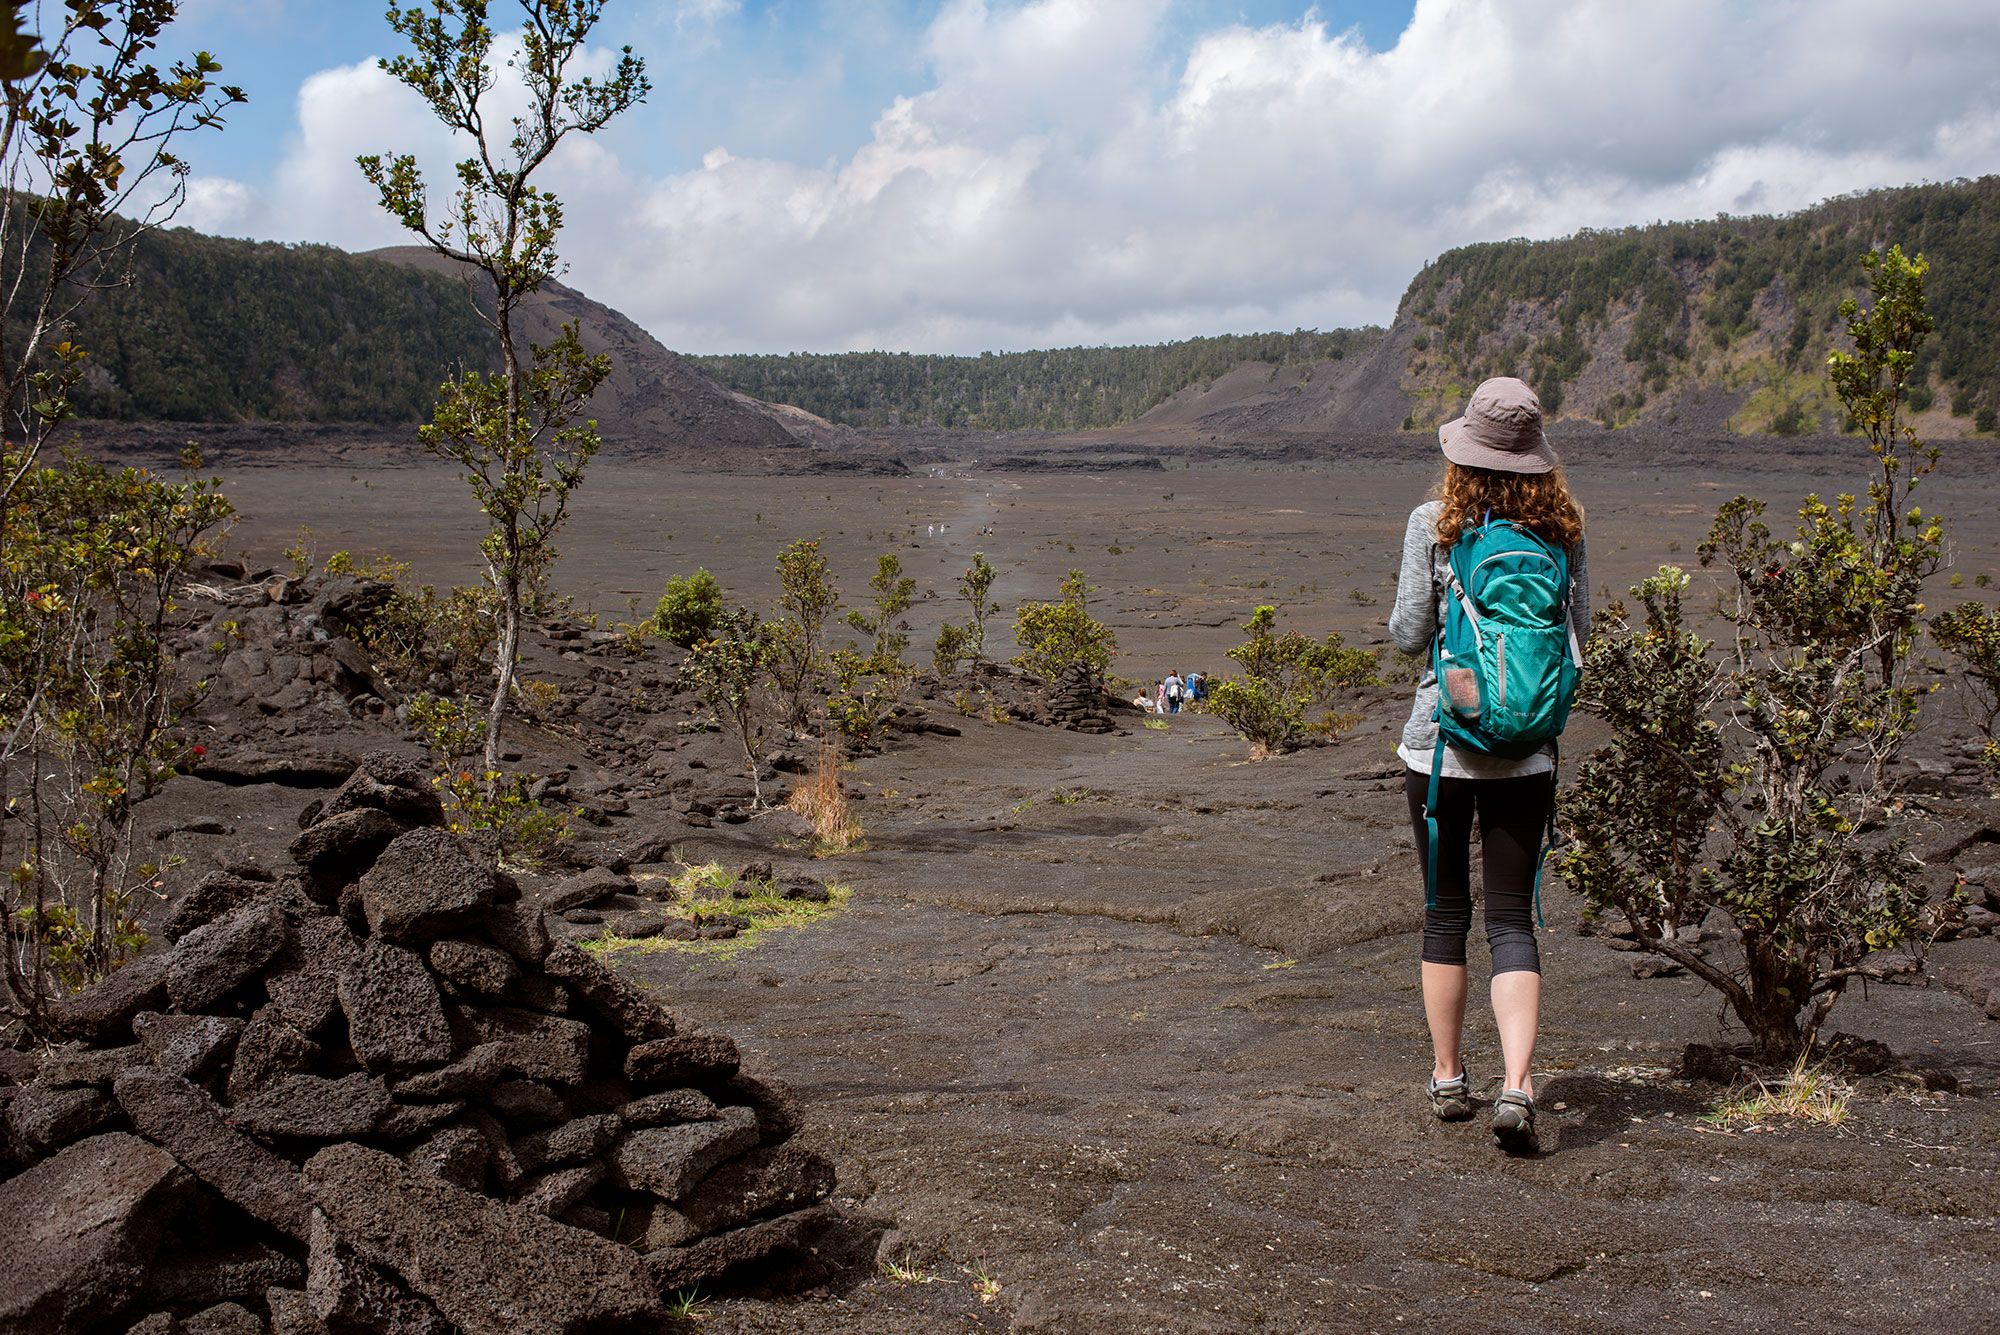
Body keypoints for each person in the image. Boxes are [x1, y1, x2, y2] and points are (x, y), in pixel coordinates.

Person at [1387, 376, 1588, 1154]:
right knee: (1511, 919)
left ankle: (1446, 1076)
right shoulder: (1566, 529)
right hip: (1528, 756)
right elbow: (1581, 638)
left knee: (1445, 914)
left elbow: (1409, 633)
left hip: (1440, 748)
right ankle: (1516, 1084)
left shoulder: (1432, 523)